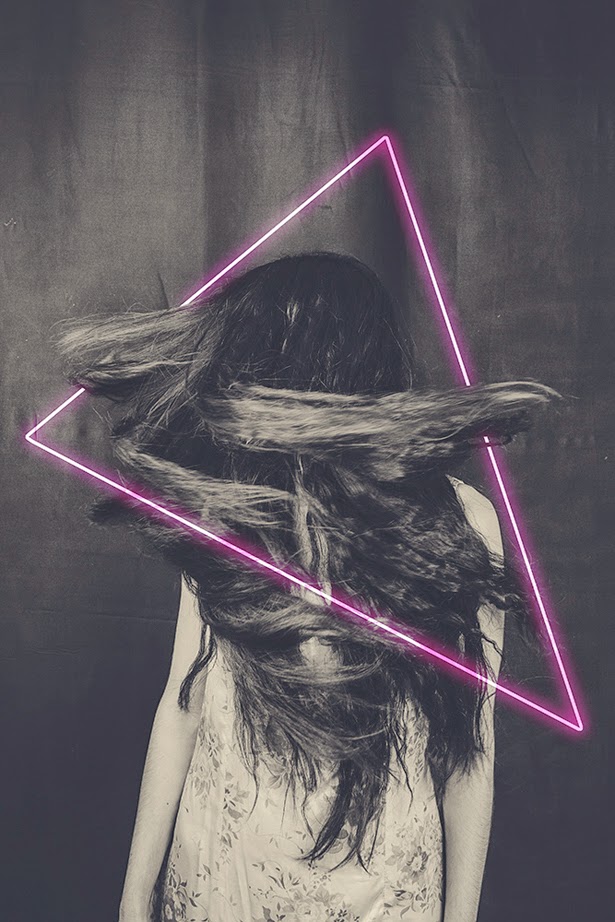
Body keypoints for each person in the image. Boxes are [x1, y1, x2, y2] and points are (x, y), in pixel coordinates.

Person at [57, 251, 556, 922]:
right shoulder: (231, 504)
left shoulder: (460, 522)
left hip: (381, 893)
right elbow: (184, 701)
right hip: (220, 880)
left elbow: (470, 752)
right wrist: (132, 896)